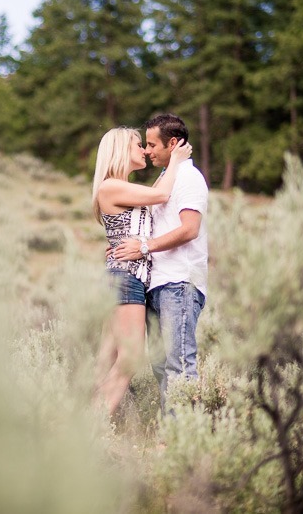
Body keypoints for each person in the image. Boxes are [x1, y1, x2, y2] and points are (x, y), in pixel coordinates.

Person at [110, 114, 209, 414]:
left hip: (179, 283)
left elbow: (189, 229)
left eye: (152, 144)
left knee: (179, 365)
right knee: (161, 367)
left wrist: (144, 247)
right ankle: (171, 435)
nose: (147, 150)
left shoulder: (189, 178)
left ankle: (184, 439)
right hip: (156, 285)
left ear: (174, 143)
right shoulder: (167, 178)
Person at [91, 126, 192, 418]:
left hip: (120, 278)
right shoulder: (111, 185)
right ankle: (92, 425)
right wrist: (176, 159)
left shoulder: (121, 187)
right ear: (122, 151)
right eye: (138, 145)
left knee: (105, 359)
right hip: (126, 279)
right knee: (130, 358)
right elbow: (161, 195)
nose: (145, 151)